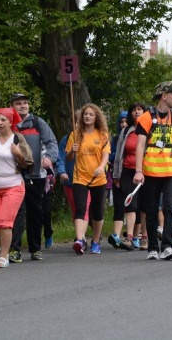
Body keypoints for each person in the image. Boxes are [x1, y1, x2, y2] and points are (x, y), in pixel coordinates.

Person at [133, 81, 172, 261]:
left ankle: (167, 246)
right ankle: (152, 247)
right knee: (151, 210)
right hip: (151, 171)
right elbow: (140, 145)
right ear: (163, 95)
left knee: (170, 207)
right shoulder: (145, 118)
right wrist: (138, 171)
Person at [0, 108, 33, 268]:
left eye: (3, 120)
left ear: (11, 122)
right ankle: (6, 247)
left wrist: (17, 154)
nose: (0, 123)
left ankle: (3, 257)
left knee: (5, 222)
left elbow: (26, 164)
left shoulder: (18, 138)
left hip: (13, 186)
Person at [8, 93, 58, 263]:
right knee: (17, 212)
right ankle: (14, 249)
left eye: (25, 103)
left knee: (36, 212)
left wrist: (49, 158)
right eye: (18, 103)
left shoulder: (38, 122)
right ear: (12, 106)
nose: (23, 106)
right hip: (14, 175)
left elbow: (51, 142)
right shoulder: (8, 124)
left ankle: (35, 249)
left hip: (36, 174)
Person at [66, 103, 111, 255]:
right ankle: (79, 240)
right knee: (80, 208)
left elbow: (105, 156)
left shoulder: (102, 134)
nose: (87, 116)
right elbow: (68, 157)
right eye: (85, 114)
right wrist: (72, 151)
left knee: (97, 212)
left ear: (96, 117)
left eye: (91, 114)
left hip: (98, 178)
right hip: (80, 177)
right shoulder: (75, 135)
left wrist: (101, 167)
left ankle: (96, 241)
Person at [113, 102, 146, 250]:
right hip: (128, 171)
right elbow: (119, 153)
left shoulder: (149, 129)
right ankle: (129, 238)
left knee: (144, 205)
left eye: (139, 109)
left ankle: (144, 237)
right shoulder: (126, 131)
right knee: (130, 204)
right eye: (134, 110)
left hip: (147, 172)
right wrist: (116, 174)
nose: (136, 112)